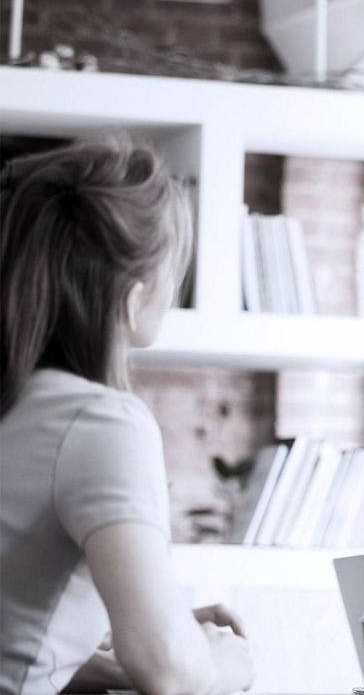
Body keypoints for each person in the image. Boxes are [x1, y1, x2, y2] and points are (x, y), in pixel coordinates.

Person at [0, 136, 255, 695]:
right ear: (134, 297)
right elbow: (170, 675)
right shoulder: (100, 421)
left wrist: (148, 638)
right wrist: (221, 665)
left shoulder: (20, 402)